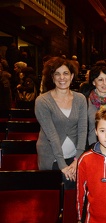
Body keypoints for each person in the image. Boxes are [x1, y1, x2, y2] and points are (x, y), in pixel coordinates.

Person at [35, 57, 87, 190]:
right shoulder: (42, 101)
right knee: (60, 190)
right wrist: (62, 165)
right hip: (51, 157)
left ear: (72, 76)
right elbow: (51, 135)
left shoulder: (80, 99)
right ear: (52, 77)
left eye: (65, 73)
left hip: (74, 157)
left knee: (79, 189)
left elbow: (82, 130)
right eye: (57, 74)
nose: (61, 77)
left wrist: (77, 159)